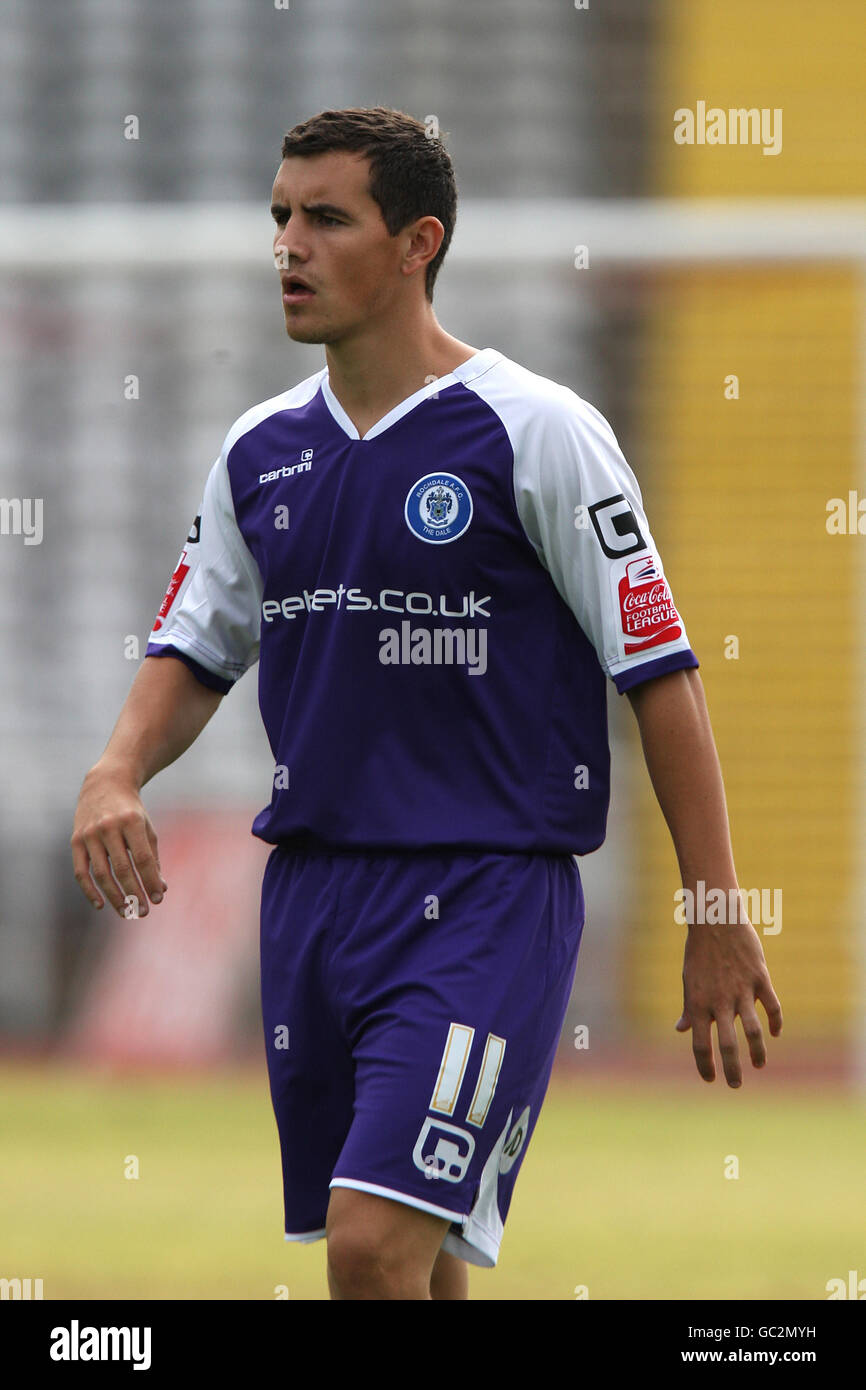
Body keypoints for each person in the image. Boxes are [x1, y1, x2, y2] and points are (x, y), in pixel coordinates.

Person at [71, 106, 783, 1301]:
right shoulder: (259, 453)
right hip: (312, 896)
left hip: (485, 899)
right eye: (280, 218)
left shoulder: (537, 432)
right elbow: (194, 645)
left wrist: (712, 905)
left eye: (326, 219)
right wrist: (115, 768)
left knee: (371, 1246)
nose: (289, 246)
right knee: (422, 1259)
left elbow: (658, 672)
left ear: (417, 243)